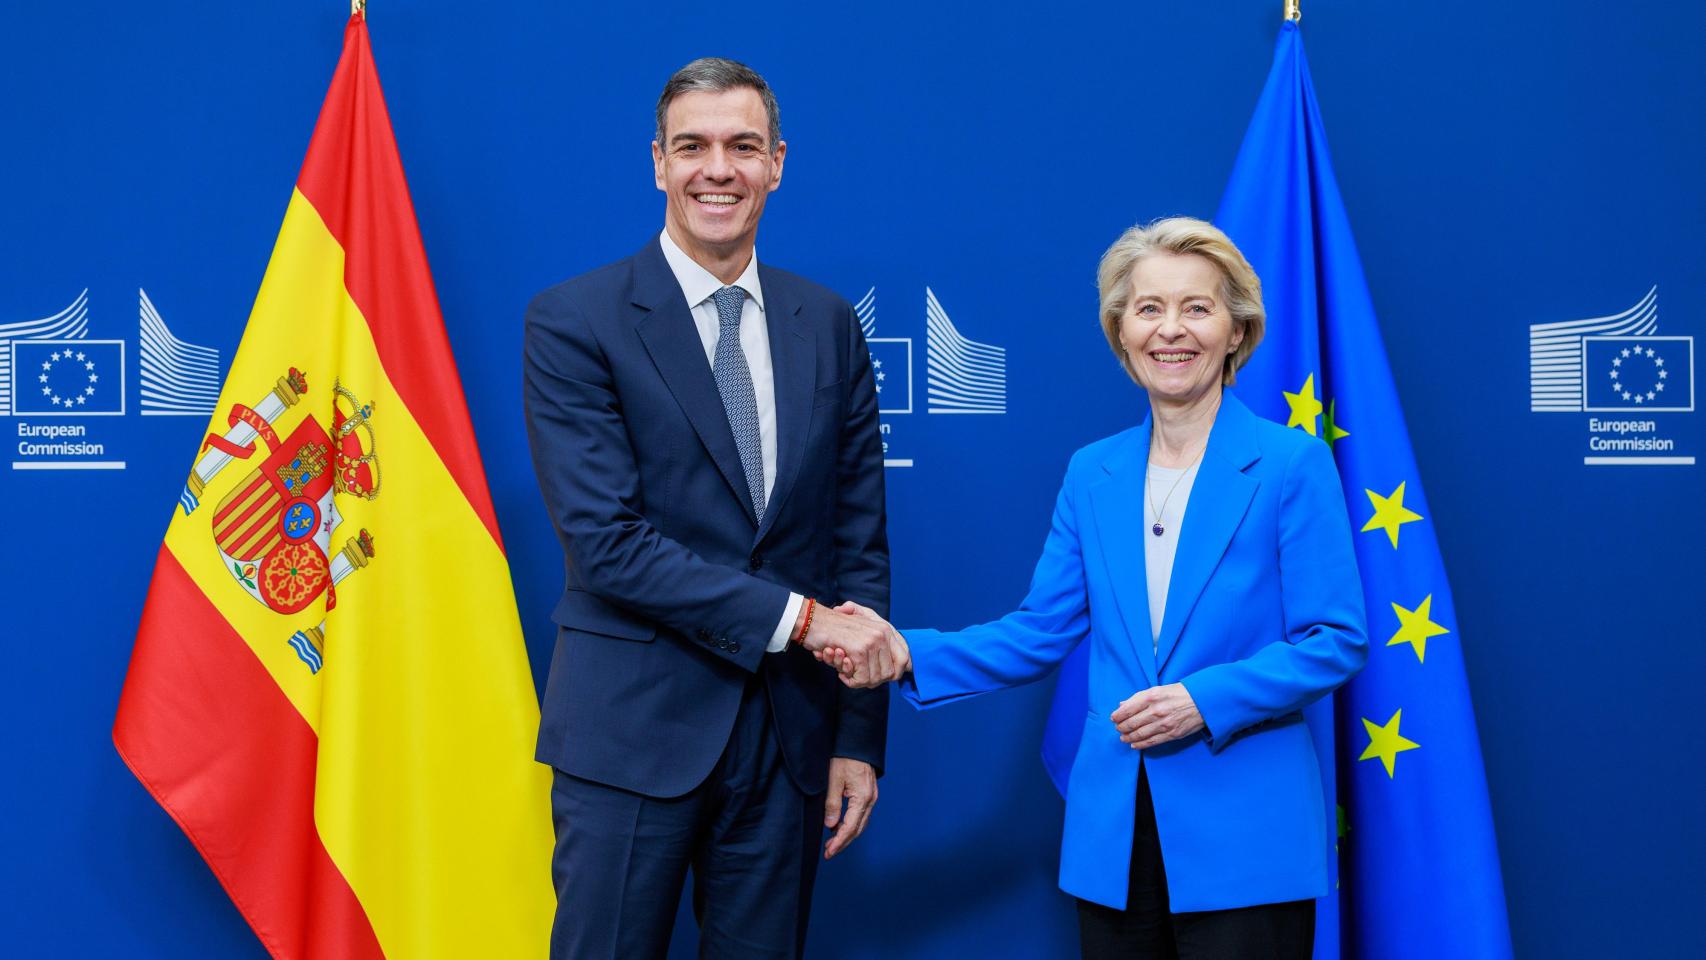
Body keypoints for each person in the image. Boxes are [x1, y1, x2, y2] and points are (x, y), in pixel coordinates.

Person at [828, 217, 1369, 959]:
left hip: (1246, 838)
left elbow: (1335, 640)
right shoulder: (1093, 472)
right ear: (1121, 332)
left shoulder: (1290, 464)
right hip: (1114, 837)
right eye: (1148, 308)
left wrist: (1203, 701)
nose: (1170, 330)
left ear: (1237, 330)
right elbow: (1041, 629)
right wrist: (903, 652)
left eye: (1197, 308)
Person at [522, 57, 899, 960]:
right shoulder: (575, 320)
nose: (717, 170)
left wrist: (858, 738)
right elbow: (607, 545)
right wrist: (802, 621)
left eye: (742, 146)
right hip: (630, 736)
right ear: (658, 163)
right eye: (692, 147)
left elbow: (858, 540)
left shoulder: (829, 323)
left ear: (778, 162)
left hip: (789, 742)